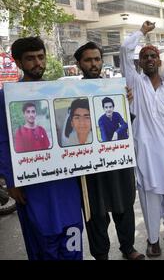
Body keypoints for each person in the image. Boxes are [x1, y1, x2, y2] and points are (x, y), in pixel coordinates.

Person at [0, 37, 83, 260]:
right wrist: (11, 181)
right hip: (32, 184)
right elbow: (2, 141)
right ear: (17, 62)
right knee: (43, 240)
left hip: (66, 182)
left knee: (72, 235)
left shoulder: (60, 91)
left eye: (40, 57)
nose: (37, 63)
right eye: (30, 59)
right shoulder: (6, 97)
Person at [121, 21, 164, 258]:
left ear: (159, 62)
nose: (149, 58)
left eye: (153, 55)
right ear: (140, 62)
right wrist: (141, 33)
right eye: (144, 56)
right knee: (149, 195)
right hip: (146, 151)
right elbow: (123, 50)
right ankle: (152, 240)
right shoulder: (135, 83)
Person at [73, 41, 144, 260]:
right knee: (95, 212)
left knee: (123, 205)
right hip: (89, 166)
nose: (94, 64)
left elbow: (125, 124)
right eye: (88, 60)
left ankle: (127, 248)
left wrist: (125, 101)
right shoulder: (71, 93)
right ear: (78, 64)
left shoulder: (116, 90)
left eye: (97, 59)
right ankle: (101, 254)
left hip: (117, 162)